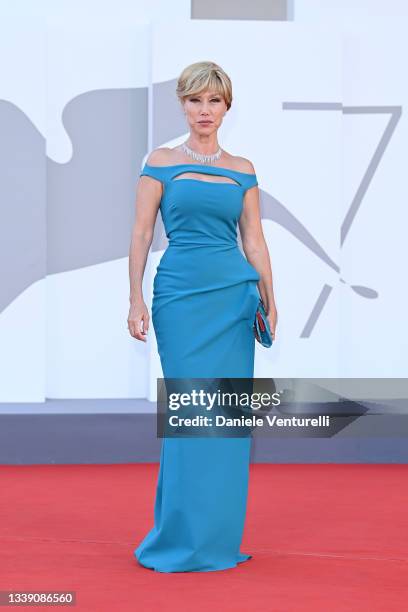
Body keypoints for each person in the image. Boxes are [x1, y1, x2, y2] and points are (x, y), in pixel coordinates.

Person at [128, 61, 277, 572]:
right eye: (195, 100)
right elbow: (143, 236)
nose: (204, 110)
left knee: (228, 418)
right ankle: (178, 537)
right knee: (191, 415)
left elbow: (253, 239)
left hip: (233, 300)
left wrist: (269, 298)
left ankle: (214, 540)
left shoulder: (242, 169)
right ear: (183, 105)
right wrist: (134, 298)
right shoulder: (161, 161)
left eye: (214, 101)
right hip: (180, 298)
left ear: (226, 107)